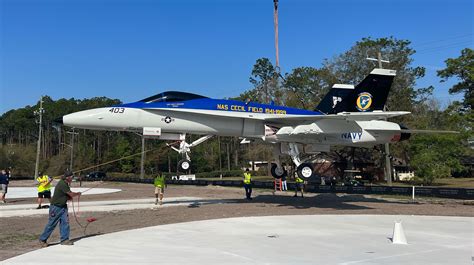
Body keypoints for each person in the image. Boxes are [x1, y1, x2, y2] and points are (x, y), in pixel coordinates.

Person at [39, 171, 81, 247]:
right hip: (56, 207)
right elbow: (70, 193)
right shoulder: (62, 184)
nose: (72, 179)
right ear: (68, 178)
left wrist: (68, 197)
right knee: (51, 224)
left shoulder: (65, 184)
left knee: (65, 223)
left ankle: (64, 240)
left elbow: (65, 194)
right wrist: (77, 194)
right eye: (72, 177)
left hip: (63, 207)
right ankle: (42, 239)